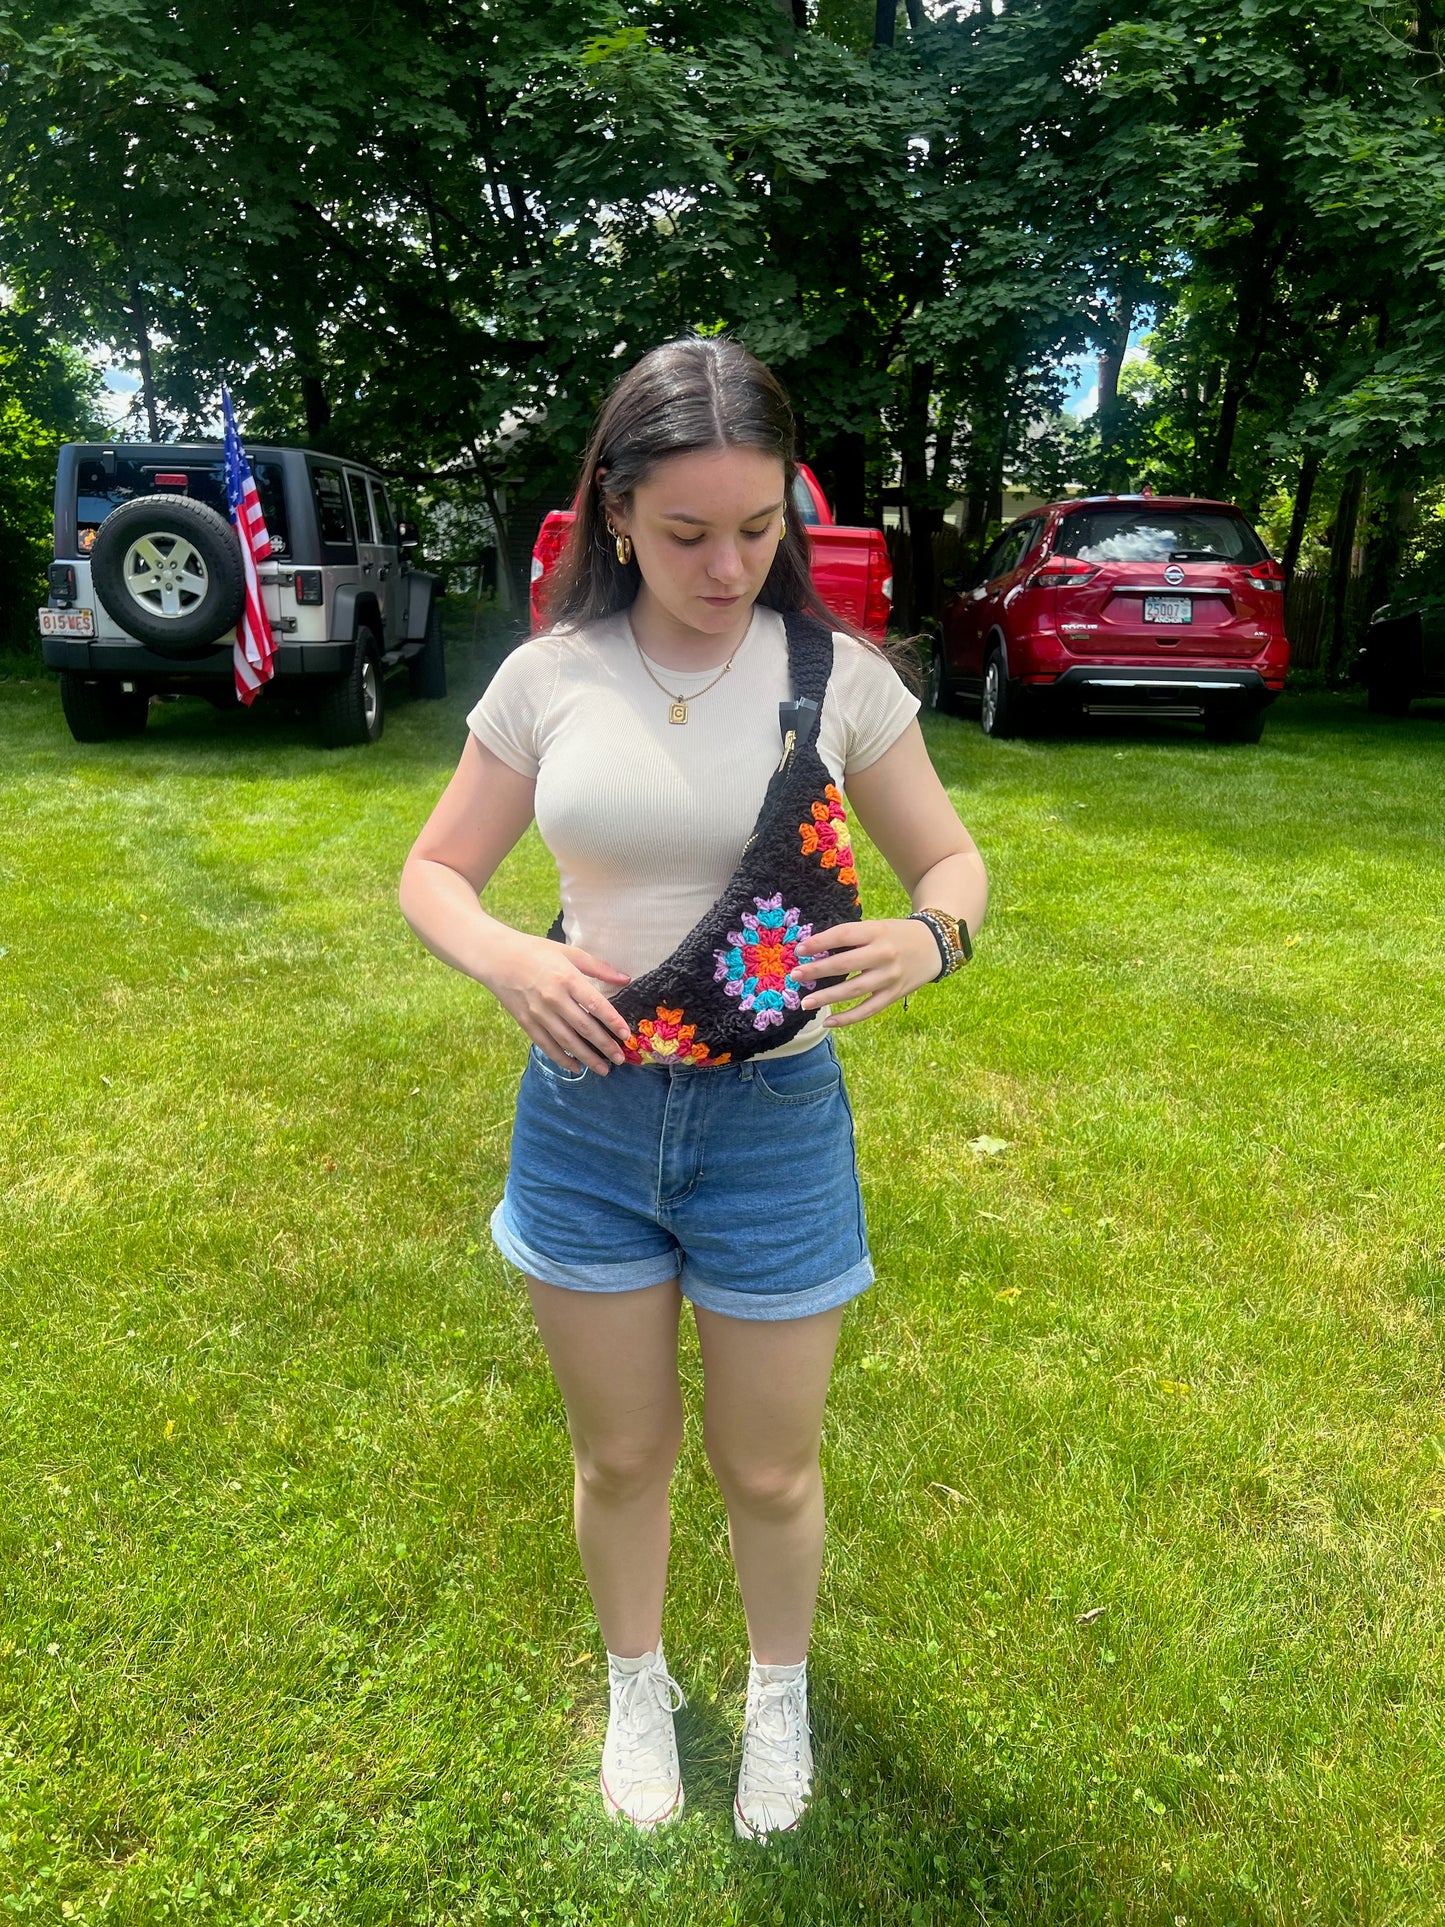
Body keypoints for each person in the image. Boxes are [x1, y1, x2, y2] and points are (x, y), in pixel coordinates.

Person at [398, 336, 988, 1841]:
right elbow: (435, 871)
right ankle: (637, 1683)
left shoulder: (835, 677)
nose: (726, 567)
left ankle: (776, 1696)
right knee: (619, 1451)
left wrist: (933, 938)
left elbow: (953, 861)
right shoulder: (548, 680)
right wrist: (507, 966)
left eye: (758, 529)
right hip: (584, 1118)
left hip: (775, 1126)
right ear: (612, 514)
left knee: (768, 1465)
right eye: (685, 534)